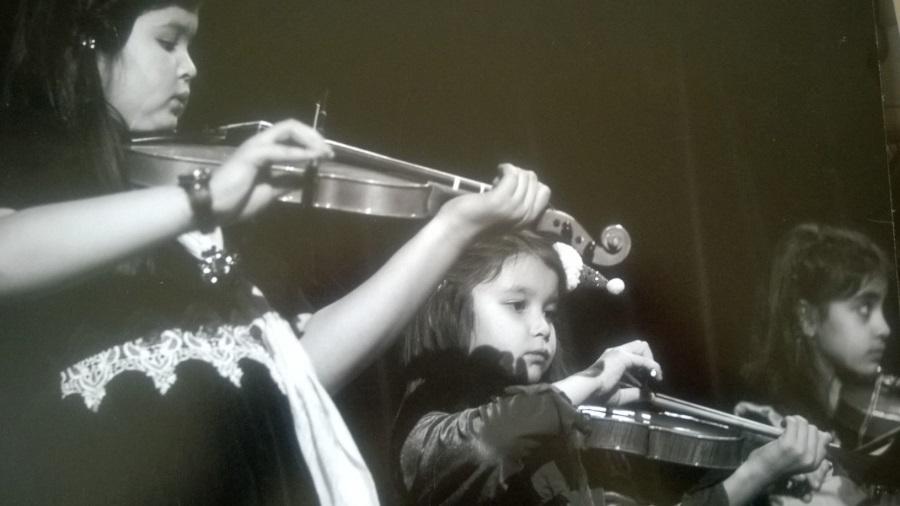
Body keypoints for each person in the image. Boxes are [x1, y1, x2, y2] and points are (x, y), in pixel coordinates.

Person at [0, 0, 551, 504]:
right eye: (168, 42)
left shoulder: (181, 220)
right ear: (88, 45)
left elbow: (293, 375)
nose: (190, 68)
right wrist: (203, 199)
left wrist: (453, 227)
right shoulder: (32, 177)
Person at [391, 230, 833, 505]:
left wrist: (760, 468)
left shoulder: (553, 439)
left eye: (549, 311)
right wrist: (592, 379)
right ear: (448, 307)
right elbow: (489, 442)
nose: (543, 328)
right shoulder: (427, 428)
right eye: (516, 304)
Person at [739, 222, 900, 504]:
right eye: (864, 308)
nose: (883, 327)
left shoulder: (860, 411)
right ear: (808, 318)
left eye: (881, 308)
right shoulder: (768, 426)